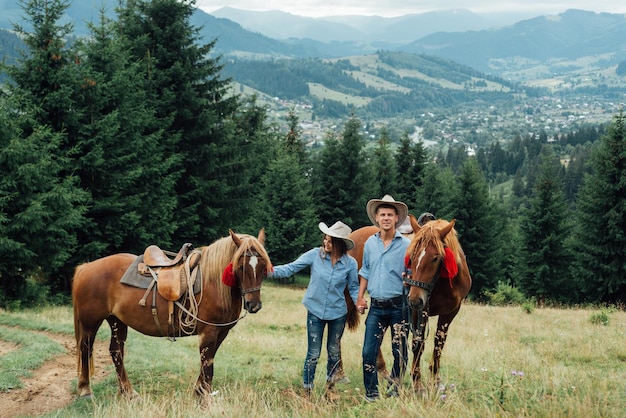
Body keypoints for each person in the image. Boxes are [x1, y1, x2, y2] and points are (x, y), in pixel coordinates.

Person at [270, 221, 359, 398]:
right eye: (325, 239)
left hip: (337, 313)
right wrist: (266, 270)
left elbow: (354, 287)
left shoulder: (350, 264)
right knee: (313, 353)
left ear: (339, 244)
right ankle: (307, 389)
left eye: (330, 241)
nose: (325, 243)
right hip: (315, 311)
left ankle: (330, 389)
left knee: (334, 351)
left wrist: (359, 302)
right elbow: (290, 268)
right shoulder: (314, 255)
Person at [356, 195, 411, 401]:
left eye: (390, 214)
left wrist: (409, 278)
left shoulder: (406, 245)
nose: (386, 218)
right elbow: (366, 271)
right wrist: (360, 297)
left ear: (397, 218)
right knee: (368, 352)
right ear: (377, 219)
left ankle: (395, 388)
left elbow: (412, 272)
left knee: (400, 352)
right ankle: (371, 394)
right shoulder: (370, 243)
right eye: (382, 215)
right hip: (376, 307)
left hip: (399, 306)